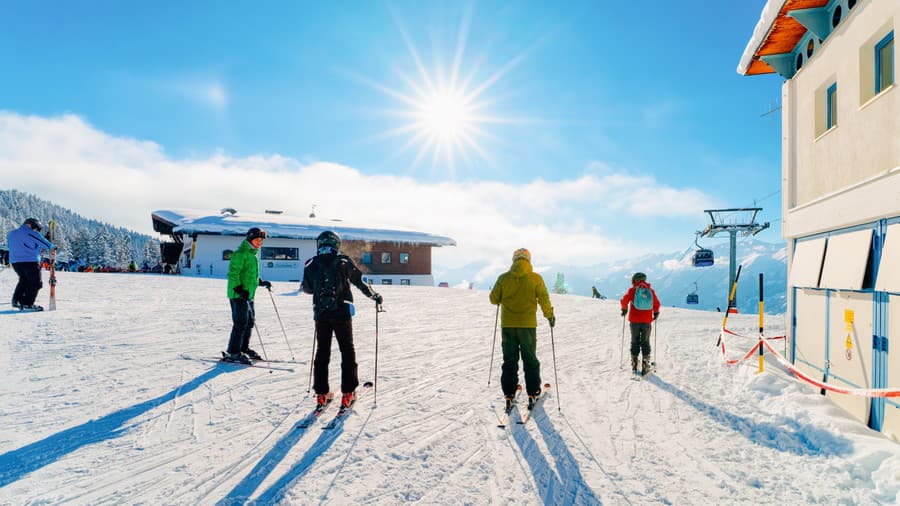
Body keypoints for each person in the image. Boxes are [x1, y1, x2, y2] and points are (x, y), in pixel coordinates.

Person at [302, 230, 382, 409]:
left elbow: (306, 288)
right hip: (342, 312)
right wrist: (373, 295)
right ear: (336, 244)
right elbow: (359, 282)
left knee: (322, 352)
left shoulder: (311, 263)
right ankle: (348, 393)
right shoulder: (343, 261)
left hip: (321, 314)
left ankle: (321, 395)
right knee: (347, 350)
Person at [489, 248, 555, 410]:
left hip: (508, 326)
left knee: (510, 360)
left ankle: (509, 394)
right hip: (528, 327)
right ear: (528, 260)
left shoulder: (503, 278)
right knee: (530, 359)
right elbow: (544, 298)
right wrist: (549, 316)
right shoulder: (535, 278)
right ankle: (533, 392)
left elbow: (493, 299)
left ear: (514, 260)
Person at [224, 227, 272, 364]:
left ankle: (243, 348)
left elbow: (250, 274)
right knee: (240, 323)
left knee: (250, 322)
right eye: (257, 240)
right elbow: (233, 274)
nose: (259, 243)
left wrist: (261, 282)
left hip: (248, 295)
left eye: (261, 241)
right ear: (250, 239)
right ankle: (233, 351)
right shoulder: (240, 253)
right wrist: (239, 290)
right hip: (237, 294)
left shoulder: (253, 254)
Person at [7, 218, 55, 311]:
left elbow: (27, 245)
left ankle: (16, 301)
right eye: (36, 228)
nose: (36, 230)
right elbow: (46, 245)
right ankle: (27, 304)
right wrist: (52, 246)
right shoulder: (31, 233)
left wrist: (43, 240)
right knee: (35, 283)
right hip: (29, 262)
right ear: (32, 225)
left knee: (24, 280)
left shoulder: (12, 234)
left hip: (15, 262)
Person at [620, 272, 661, 376]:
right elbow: (657, 303)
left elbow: (624, 300)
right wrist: (656, 312)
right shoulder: (650, 291)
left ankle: (634, 365)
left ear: (634, 280)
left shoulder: (632, 290)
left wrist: (624, 309)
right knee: (645, 342)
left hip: (634, 321)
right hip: (647, 321)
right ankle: (645, 366)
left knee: (635, 341)